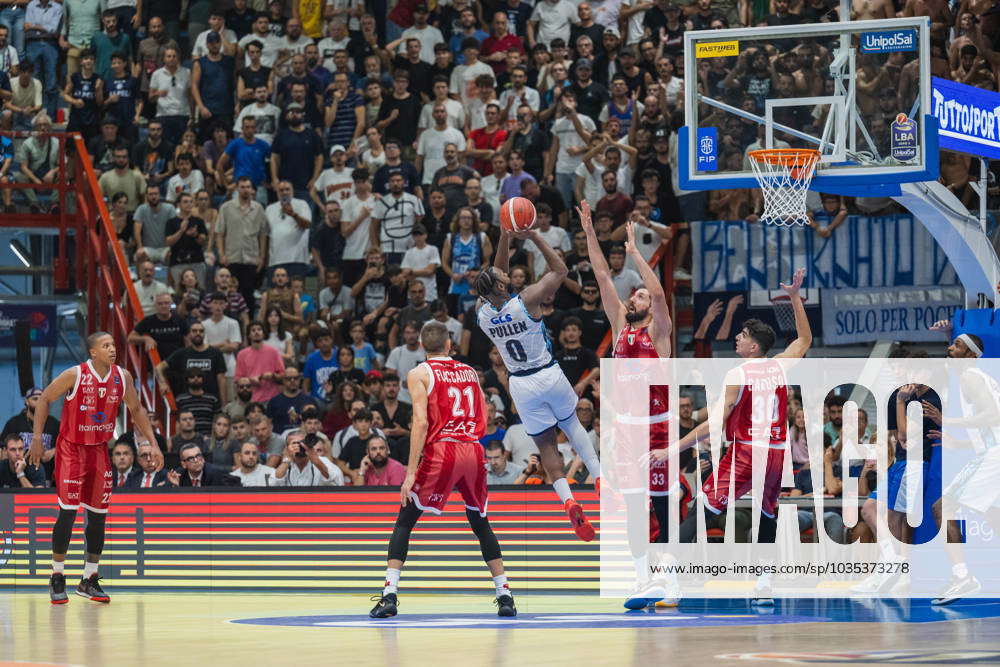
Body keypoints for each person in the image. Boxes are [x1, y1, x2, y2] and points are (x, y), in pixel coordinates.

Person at [664, 267, 812, 605]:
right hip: (776, 452)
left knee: (702, 506)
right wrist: (794, 298)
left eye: (742, 336)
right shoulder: (778, 366)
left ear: (754, 346)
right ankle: (764, 584)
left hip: (748, 451)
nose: (737, 339)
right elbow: (804, 341)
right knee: (767, 511)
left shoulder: (738, 373)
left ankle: (668, 571)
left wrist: (677, 446)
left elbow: (716, 422)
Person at [369, 321, 515, 619]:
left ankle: (389, 595)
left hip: (443, 449)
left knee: (405, 520)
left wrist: (410, 473)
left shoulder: (418, 373)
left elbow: (421, 423)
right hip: (473, 449)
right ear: (450, 345)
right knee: (480, 522)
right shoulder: (471, 373)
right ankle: (505, 595)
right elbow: (485, 418)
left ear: (422, 346)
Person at [580, 201, 679, 607]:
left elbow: (657, 293)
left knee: (663, 505)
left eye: (639, 295)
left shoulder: (659, 332)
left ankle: (672, 579)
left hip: (658, 427)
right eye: (633, 295)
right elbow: (602, 274)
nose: (636, 298)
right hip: (626, 430)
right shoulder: (621, 328)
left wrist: (636, 251)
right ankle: (643, 580)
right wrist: (588, 229)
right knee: (634, 508)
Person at [474, 229, 599, 541]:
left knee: (546, 446)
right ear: (502, 284)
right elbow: (560, 269)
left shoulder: (483, 315)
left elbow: (495, 273)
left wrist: (504, 236)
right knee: (573, 427)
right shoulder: (526, 299)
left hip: (521, 384)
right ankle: (601, 481)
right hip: (548, 372)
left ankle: (568, 500)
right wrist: (533, 236)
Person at [28, 332, 161, 604]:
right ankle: (57, 575)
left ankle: (89, 579)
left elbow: (136, 410)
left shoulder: (122, 377)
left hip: (100, 450)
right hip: (71, 450)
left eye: (114, 345)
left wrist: (154, 444)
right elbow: (44, 400)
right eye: (106, 346)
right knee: (68, 513)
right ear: (93, 352)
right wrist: (38, 439)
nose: (113, 349)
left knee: (98, 516)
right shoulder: (74, 375)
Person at [273, 430, 343, 486]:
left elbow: (337, 482)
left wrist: (315, 459)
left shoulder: (321, 461)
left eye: (302, 443)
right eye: (295, 443)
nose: (299, 446)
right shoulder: (285, 465)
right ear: (287, 448)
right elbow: (273, 485)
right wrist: (287, 459)